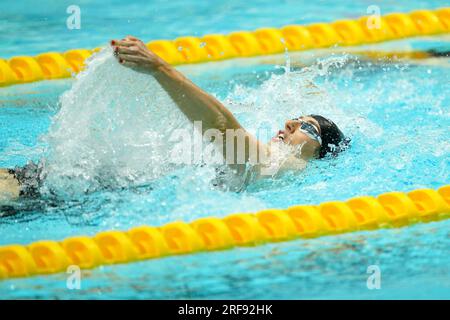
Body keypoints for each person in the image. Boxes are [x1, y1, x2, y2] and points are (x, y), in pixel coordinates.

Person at [0, 36, 349, 202]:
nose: (288, 124)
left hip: (76, 193)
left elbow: (224, 130)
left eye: (307, 128)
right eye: (294, 118)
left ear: (321, 157)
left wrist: (161, 69)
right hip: (86, 184)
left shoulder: (293, 167)